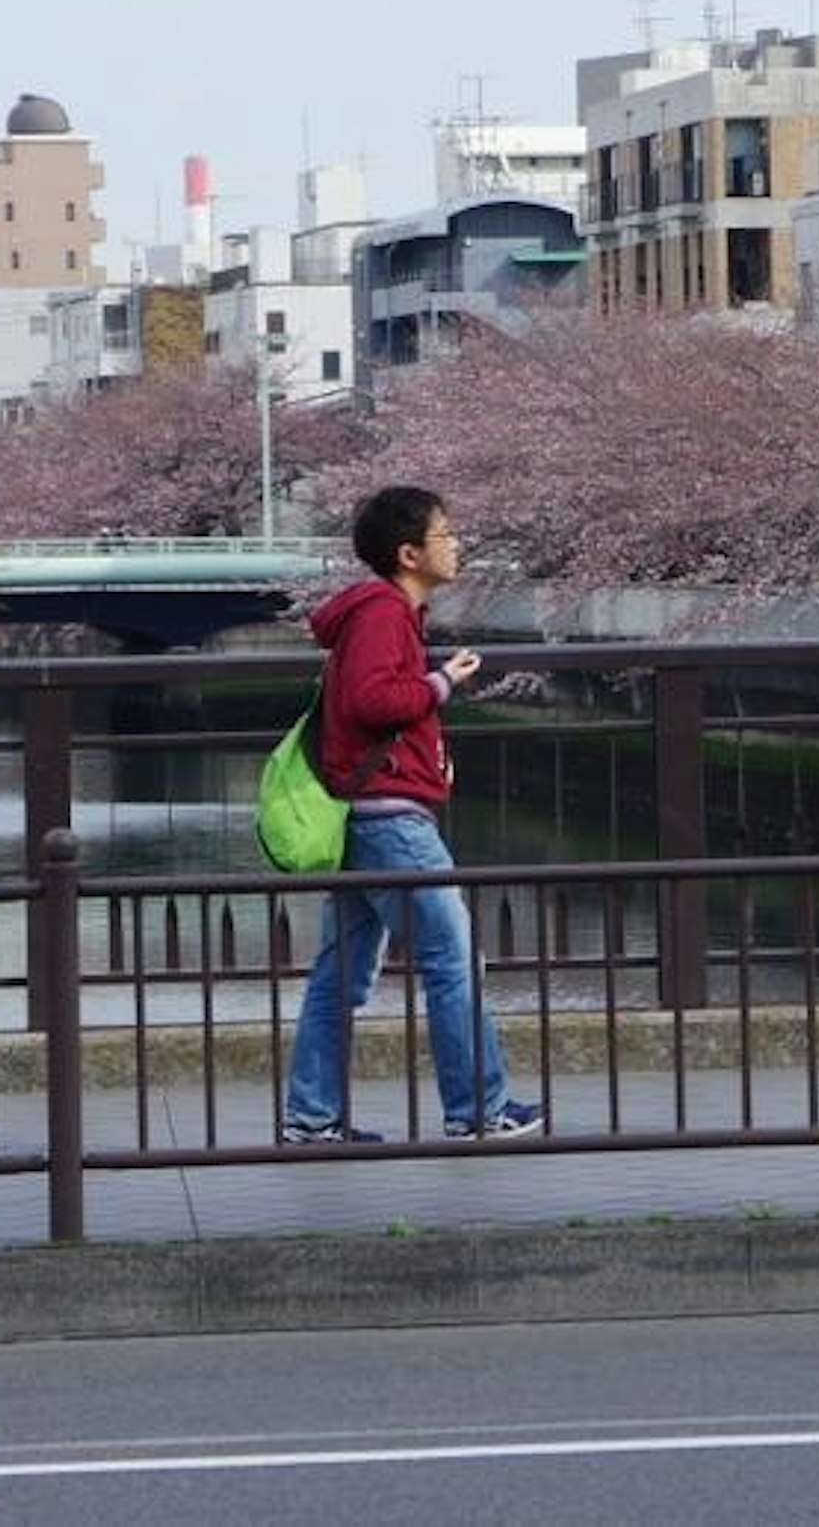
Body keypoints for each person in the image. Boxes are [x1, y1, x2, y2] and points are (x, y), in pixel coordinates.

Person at [278, 485, 547, 1146]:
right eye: (446, 534)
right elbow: (374, 701)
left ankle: (312, 1116)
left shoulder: (380, 612)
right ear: (409, 552)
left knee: (342, 970)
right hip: (389, 823)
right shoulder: (382, 612)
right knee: (453, 958)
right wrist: (443, 682)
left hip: (372, 812)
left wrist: (429, 758)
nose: (456, 545)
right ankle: (478, 1110)